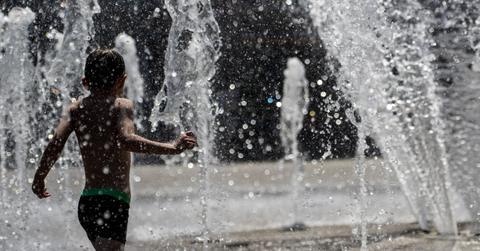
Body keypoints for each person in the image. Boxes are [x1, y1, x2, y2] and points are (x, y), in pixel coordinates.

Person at [31, 49, 197, 251]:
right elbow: (126, 140)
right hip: (113, 202)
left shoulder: (75, 109)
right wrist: (171, 147)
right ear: (122, 80)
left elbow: (55, 143)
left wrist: (40, 177)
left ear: (85, 82)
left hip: (88, 202)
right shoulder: (121, 106)